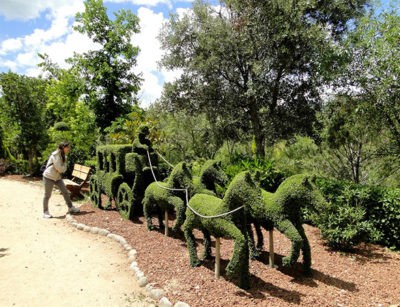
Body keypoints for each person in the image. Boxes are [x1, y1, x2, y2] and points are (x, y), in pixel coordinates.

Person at [42, 142, 80, 218]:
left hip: (57, 178)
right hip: (48, 177)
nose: (69, 149)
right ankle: (45, 212)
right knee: (47, 195)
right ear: (63, 147)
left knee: (65, 192)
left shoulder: (64, 157)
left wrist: (62, 168)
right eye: (68, 147)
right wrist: (62, 168)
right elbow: (60, 168)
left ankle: (71, 208)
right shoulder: (55, 155)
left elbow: (63, 169)